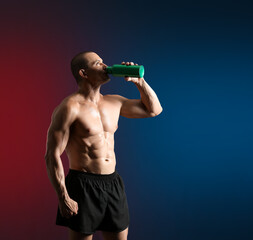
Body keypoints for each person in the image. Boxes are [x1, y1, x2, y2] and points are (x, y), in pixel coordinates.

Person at [44, 51, 163, 240]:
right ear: (83, 73)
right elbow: (52, 155)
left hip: (112, 183)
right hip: (82, 185)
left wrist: (139, 82)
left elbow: (154, 110)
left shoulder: (114, 102)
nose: (105, 66)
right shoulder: (70, 107)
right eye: (98, 63)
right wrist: (63, 197)